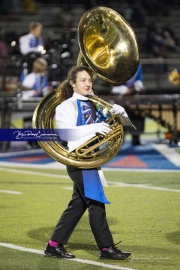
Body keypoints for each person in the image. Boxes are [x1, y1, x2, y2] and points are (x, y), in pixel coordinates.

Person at [44, 65, 132, 260]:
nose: (88, 83)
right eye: (83, 80)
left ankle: (54, 244)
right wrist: (93, 128)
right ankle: (106, 248)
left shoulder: (96, 104)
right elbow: (65, 134)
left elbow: (122, 126)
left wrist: (121, 113)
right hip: (78, 159)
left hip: (92, 159)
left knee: (78, 205)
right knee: (96, 202)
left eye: (89, 80)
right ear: (73, 84)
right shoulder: (64, 106)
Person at [111, 64, 146, 146]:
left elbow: (138, 80)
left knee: (137, 116)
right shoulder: (117, 66)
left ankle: (136, 139)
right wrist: (125, 90)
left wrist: (139, 86)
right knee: (121, 121)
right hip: (119, 96)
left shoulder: (138, 67)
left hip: (131, 98)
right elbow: (113, 85)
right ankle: (120, 141)